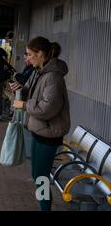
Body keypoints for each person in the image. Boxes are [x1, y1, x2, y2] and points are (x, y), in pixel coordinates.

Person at [10, 36, 70, 211]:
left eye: (29, 54)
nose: (26, 58)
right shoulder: (38, 71)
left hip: (49, 134)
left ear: (40, 53)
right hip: (39, 130)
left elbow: (46, 109)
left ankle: (45, 208)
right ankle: (44, 206)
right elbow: (31, 92)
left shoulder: (53, 77)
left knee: (41, 176)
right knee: (37, 175)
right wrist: (20, 89)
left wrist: (24, 104)